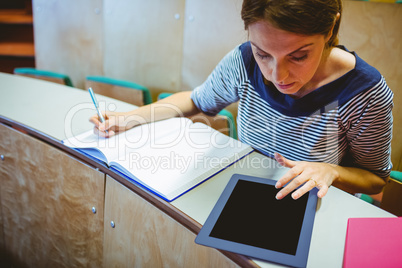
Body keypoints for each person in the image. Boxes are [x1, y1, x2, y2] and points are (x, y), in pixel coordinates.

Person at [90, 0, 393, 201]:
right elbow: (195, 100)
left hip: (310, 206)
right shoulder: (244, 62)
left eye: (298, 56)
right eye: (263, 53)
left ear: (329, 30)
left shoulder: (364, 93)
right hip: (244, 192)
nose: (278, 75)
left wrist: (332, 171)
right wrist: (127, 119)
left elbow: (376, 180)